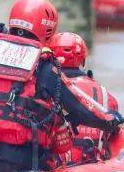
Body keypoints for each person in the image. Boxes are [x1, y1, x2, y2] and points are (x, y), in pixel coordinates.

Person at [0, 0, 123, 172]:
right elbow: (79, 110)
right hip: (17, 169)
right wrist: (109, 120)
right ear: (48, 29)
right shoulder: (44, 66)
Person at [50, 31, 119, 163]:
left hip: (56, 167)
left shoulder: (45, 86)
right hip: (93, 163)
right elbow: (113, 130)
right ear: (82, 59)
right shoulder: (105, 95)